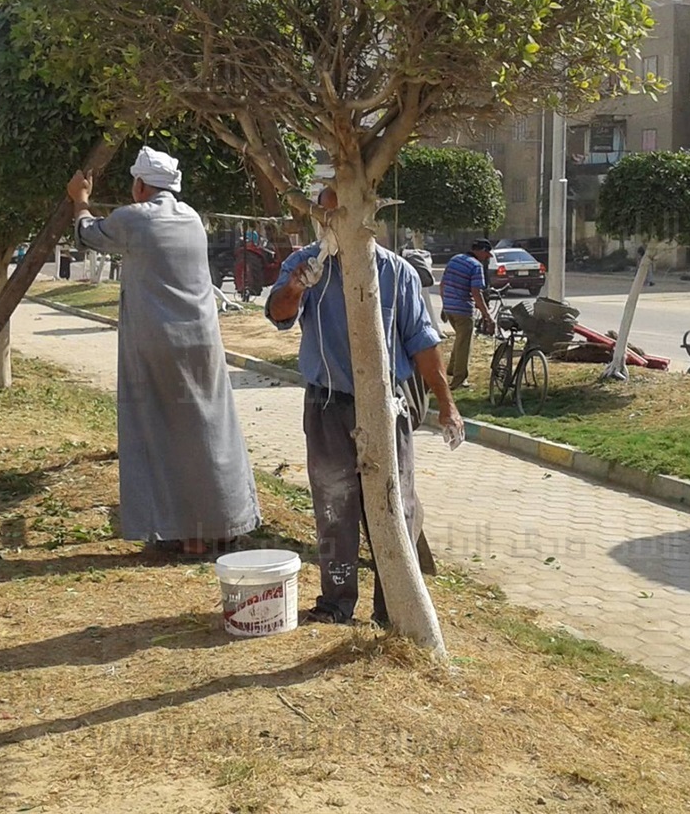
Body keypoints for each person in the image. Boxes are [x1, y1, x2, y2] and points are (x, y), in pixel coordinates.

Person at [266, 184, 462, 626]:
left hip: (386, 404)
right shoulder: (307, 265)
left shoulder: (396, 272)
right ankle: (337, 603)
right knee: (335, 505)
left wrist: (447, 405)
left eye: (341, 216)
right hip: (327, 403)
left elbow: (423, 344)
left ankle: (392, 607)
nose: (332, 226)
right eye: (326, 218)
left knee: (396, 505)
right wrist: (297, 287)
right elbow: (278, 314)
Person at [67, 147, 260, 556]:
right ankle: (223, 525)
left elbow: (87, 234)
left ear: (140, 185)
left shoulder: (133, 219)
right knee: (210, 432)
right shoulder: (192, 219)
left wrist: (80, 200)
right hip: (203, 344)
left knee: (162, 433)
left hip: (158, 347)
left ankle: (181, 533)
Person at [439, 239, 494, 389]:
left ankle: (452, 368)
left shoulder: (455, 259)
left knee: (460, 339)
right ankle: (459, 379)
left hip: (449, 308)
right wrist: (487, 316)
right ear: (480, 250)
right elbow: (476, 293)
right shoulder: (476, 266)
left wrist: (445, 305)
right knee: (465, 344)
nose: (488, 257)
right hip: (463, 310)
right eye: (487, 253)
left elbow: (443, 284)